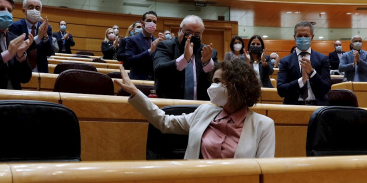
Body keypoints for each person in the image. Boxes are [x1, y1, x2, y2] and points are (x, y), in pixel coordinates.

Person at [115, 59, 275, 159]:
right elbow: (164, 122)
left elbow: (264, 172)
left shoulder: (263, 125)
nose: (213, 86)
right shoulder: (204, 112)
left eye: (218, 81)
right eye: (213, 81)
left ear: (238, 85)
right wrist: (136, 93)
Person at [153, 15, 218, 100]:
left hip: (200, 106)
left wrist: (207, 63)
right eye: (189, 32)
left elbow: (218, 79)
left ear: (201, 35)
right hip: (171, 103)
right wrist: (184, 59)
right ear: (180, 30)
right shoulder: (166, 46)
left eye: (197, 34)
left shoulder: (209, 52)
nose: (192, 36)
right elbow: (159, 70)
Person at [277, 21, 331, 105]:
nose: (303, 38)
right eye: (299, 36)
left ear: (312, 37)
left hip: (317, 107)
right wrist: (301, 81)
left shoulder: (323, 59)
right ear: (294, 37)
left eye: (306, 36)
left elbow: (326, 88)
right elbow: (281, 90)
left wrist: (312, 73)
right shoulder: (285, 61)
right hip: (294, 107)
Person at [9, 0, 53, 73]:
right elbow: (16, 50)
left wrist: (45, 35)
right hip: (20, 69)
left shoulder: (46, 27)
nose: (34, 10)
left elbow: (49, 52)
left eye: (37, 8)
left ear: (40, 11)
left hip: (41, 70)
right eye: (30, 7)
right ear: (24, 10)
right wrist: (38, 38)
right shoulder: (15, 26)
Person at [125, 11, 164, 80]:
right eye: (149, 21)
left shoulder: (158, 41)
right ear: (142, 23)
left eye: (154, 22)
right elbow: (129, 61)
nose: (152, 24)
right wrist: (149, 51)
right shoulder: (132, 40)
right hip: (137, 80)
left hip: (154, 80)